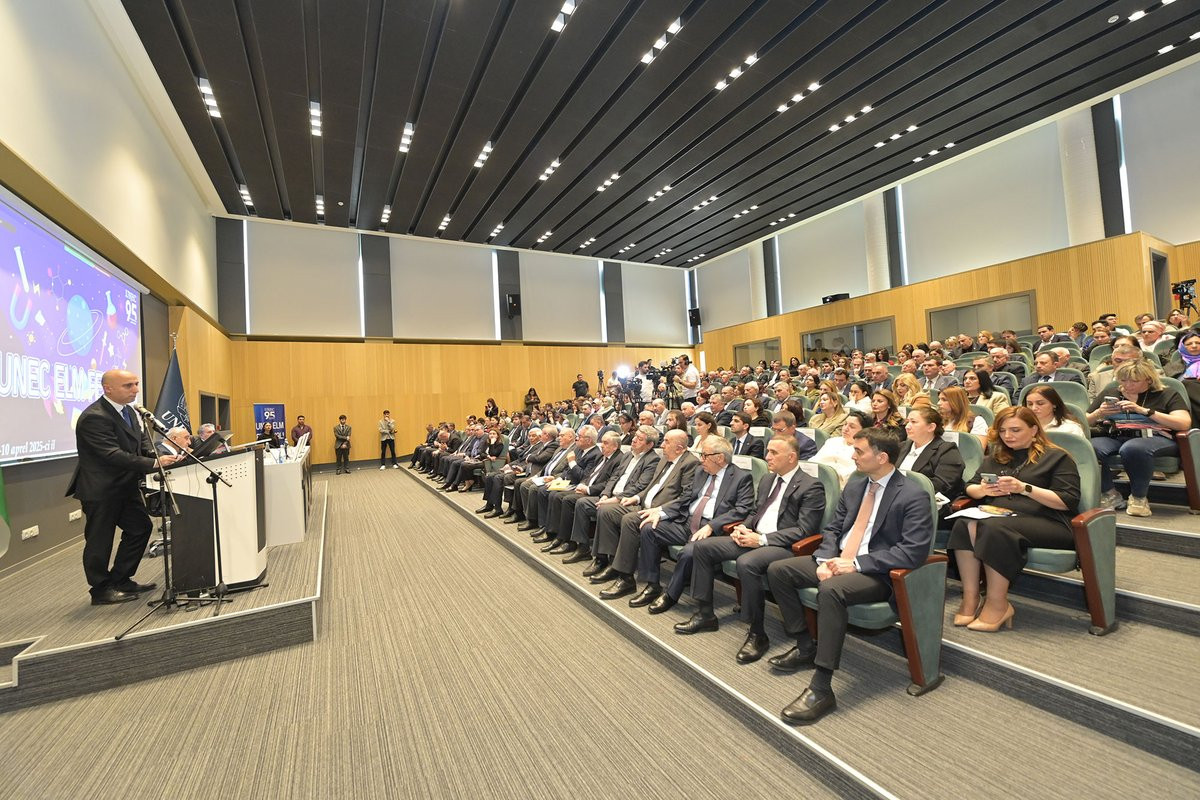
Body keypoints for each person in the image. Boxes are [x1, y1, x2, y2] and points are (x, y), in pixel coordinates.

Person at [765, 429, 933, 724]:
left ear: (882, 457)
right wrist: (823, 559)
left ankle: (822, 687)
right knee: (779, 570)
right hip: (838, 559)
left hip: (878, 572)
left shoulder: (912, 494)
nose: (852, 456)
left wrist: (856, 563)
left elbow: (912, 552)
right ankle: (805, 645)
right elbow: (832, 529)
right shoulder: (856, 486)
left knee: (831, 590)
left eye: (859, 451)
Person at [680, 435, 827, 664]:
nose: (767, 457)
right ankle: (705, 614)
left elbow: (804, 530)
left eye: (774, 453)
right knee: (702, 547)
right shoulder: (768, 479)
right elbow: (755, 513)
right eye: (767, 451)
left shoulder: (811, 485)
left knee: (747, 563)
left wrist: (762, 539)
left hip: (783, 546)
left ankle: (757, 633)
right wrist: (742, 528)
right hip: (755, 537)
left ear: (791, 457)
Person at [947, 407, 1080, 631]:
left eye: (1015, 430)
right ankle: (971, 597)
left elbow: (1067, 501)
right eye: (1003, 431)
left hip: (1049, 521)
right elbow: (969, 486)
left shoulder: (1057, 457)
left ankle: (998, 604)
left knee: (993, 527)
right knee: (963, 523)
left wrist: (1025, 488)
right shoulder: (997, 457)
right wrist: (983, 490)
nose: (1008, 436)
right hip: (1003, 516)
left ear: (1034, 429)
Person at [66, 369, 182, 605]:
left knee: (140, 528)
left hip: (125, 486)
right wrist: (153, 463)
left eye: (136, 384)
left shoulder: (130, 411)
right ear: (108, 388)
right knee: (100, 540)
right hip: (101, 489)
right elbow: (111, 454)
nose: (135, 390)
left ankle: (120, 579)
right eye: (128, 385)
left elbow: (141, 446)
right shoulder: (94, 417)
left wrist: (160, 457)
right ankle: (100, 590)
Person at [605, 436, 754, 611]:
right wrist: (661, 512)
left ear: (720, 458)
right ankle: (652, 585)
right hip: (687, 521)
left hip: (710, 528)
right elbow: (685, 498)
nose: (701, 459)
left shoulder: (741, 478)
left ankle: (671, 595)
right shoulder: (701, 472)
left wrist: (711, 526)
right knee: (649, 528)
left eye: (704, 455)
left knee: (689, 552)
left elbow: (742, 510)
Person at [1087, 360, 1191, 516]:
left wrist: (1145, 411)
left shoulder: (1167, 394)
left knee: (1133, 448)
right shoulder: (1112, 392)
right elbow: (1083, 420)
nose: (1127, 385)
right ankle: (1109, 494)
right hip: (1116, 435)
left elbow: (1183, 423)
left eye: (1134, 381)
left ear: (1149, 379)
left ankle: (1138, 497)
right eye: (1123, 380)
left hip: (1155, 437)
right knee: (1089, 447)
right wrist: (1099, 413)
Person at [896, 407, 965, 517]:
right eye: (907, 421)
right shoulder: (902, 446)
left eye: (913, 422)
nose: (907, 426)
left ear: (931, 427)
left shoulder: (947, 451)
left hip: (926, 506)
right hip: (897, 500)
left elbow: (941, 485)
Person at [811, 409, 871, 487]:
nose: (846, 428)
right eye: (845, 424)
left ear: (864, 431)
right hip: (816, 483)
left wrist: (829, 469)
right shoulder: (832, 441)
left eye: (852, 427)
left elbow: (850, 475)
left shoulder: (865, 449)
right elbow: (814, 462)